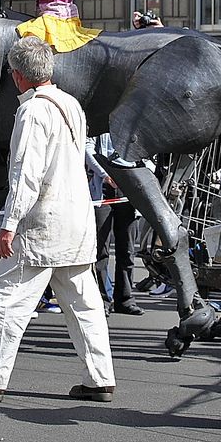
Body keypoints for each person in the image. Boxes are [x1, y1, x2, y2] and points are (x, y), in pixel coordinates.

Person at [0, 37, 116, 402]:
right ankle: (100, 378)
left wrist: (9, 223)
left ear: (18, 76)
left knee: (7, 297)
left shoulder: (33, 111)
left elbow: (26, 174)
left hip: (43, 222)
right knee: (84, 304)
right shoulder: (71, 104)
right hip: (77, 219)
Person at [85, 133, 143, 316]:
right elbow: (87, 148)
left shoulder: (135, 119)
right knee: (100, 248)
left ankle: (125, 299)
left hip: (129, 183)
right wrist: (104, 173)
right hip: (103, 188)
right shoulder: (100, 119)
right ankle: (102, 299)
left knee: (127, 248)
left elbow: (147, 153)